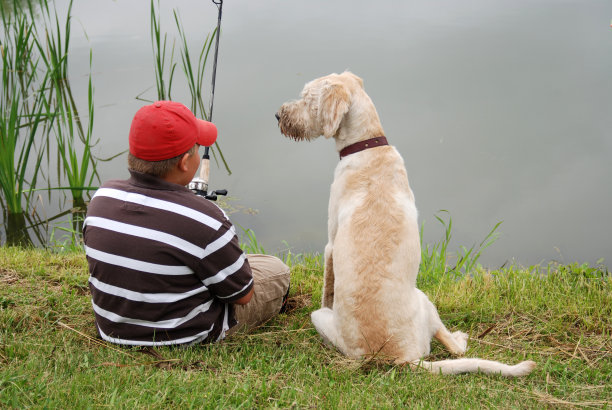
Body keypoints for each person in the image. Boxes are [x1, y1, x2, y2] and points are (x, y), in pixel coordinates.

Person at [83, 100, 290, 346]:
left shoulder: (102, 197)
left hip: (112, 329)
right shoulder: (205, 219)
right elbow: (243, 295)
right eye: (196, 147)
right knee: (276, 269)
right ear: (184, 162)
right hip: (187, 336)